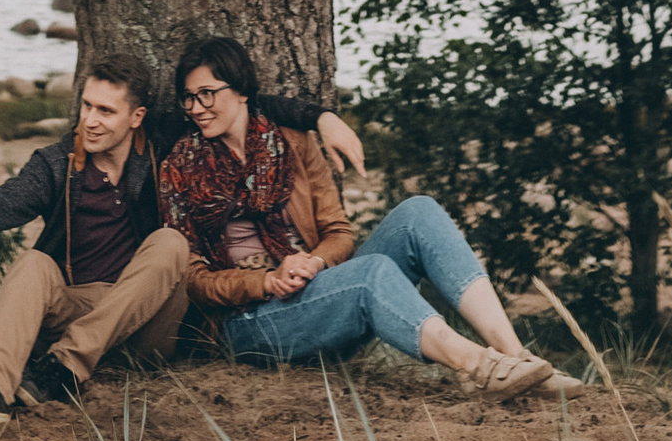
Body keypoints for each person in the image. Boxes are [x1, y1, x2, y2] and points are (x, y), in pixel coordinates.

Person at [0, 60, 367, 428]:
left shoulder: (162, 143)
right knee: (33, 263)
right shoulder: (56, 164)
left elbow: (245, 104)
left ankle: (66, 367)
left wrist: (322, 117)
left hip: (148, 322)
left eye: (105, 111)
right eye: (86, 107)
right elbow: (7, 202)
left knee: (170, 242)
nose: (90, 121)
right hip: (78, 306)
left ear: (136, 116)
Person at [158, 36, 572, 396]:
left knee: (418, 212)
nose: (197, 108)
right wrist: (266, 279)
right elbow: (194, 281)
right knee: (369, 271)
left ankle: (516, 358)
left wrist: (314, 262)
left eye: (207, 93)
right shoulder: (179, 168)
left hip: (320, 291)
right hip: (248, 324)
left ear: (242, 90)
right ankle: (480, 368)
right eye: (189, 98)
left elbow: (338, 233)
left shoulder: (293, 143)